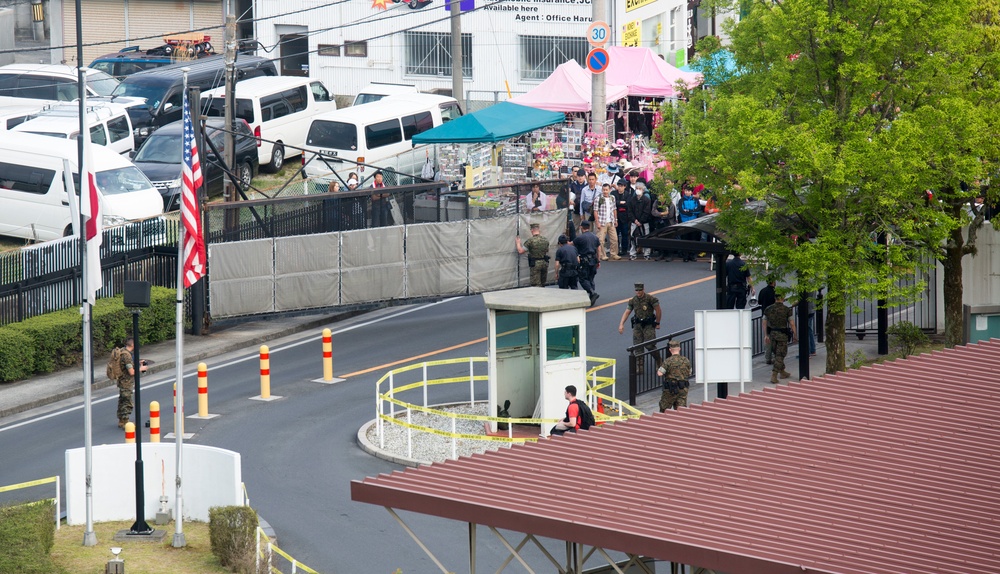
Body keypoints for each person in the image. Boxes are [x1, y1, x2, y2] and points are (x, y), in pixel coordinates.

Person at [618, 283, 662, 376]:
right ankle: (640, 366)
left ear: (643, 289)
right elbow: (627, 312)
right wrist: (621, 324)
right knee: (638, 347)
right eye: (636, 290)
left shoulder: (651, 299)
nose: (638, 292)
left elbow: (658, 310)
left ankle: (659, 361)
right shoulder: (633, 300)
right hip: (638, 325)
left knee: (650, 345)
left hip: (648, 325)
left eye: (640, 290)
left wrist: (657, 323)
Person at [763, 292, 797, 384]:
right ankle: (774, 374)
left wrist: (766, 335)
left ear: (775, 298)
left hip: (772, 334)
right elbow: (792, 323)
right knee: (780, 355)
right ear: (783, 298)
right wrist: (795, 334)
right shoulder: (786, 310)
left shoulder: (768, 309)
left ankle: (782, 372)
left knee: (777, 353)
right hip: (782, 335)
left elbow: (764, 322)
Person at [115, 337, 147, 429]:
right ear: (132, 345)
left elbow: (126, 364)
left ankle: (121, 420)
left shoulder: (123, 351)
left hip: (121, 380)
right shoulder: (127, 356)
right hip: (126, 382)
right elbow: (131, 372)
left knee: (122, 400)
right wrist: (141, 368)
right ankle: (125, 423)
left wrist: (137, 362)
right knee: (127, 402)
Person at [572, 220, 602, 306]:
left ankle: (592, 292)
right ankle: (592, 294)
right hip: (593, 259)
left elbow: (572, 244)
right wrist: (598, 260)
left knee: (582, 278)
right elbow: (598, 249)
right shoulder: (595, 237)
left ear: (581, 227)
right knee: (591, 277)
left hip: (584, 261)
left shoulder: (580, 238)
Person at [658, 340, 691, 411]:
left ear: (670, 350)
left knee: (664, 409)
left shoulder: (668, 361)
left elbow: (660, 373)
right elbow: (689, 372)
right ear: (679, 349)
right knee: (681, 410)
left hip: (670, 389)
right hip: (683, 388)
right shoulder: (686, 360)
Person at [515, 223, 550, 287]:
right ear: (539, 230)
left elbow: (520, 251)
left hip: (535, 264)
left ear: (532, 230)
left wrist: (518, 243)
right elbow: (547, 250)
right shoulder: (545, 240)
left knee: (536, 285)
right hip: (544, 263)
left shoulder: (530, 241)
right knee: (543, 283)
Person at [677, 183, 703, 262]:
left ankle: (692, 255)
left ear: (692, 192)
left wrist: (689, 211)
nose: (687, 192)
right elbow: (681, 211)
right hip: (684, 222)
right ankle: (685, 256)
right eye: (686, 191)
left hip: (694, 222)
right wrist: (691, 212)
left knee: (693, 239)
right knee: (685, 238)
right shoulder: (681, 200)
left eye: (689, 191)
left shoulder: (695, 200)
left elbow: (698, 210)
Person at [627, 182, 653, 260]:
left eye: (640, 189)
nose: (638, 190)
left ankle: (646, 253)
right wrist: (635, 220)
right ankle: (632, 253)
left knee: (646, 237)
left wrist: (641, 221)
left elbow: (647, 211)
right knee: (632, 237)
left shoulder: (647, 199)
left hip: (644, 223)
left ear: (643, 190)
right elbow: (630, 211)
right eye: (637, 188)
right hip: (634, 222)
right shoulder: (632, 200)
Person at [594, 184, 620, 261]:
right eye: (604, 190)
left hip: (611, 221)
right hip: (602, 222)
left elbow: (614, 209)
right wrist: (597, 222)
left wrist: (616, 220)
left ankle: (614, 254)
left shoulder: (612, 198)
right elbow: (595, 211)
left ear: (609, 190)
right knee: (601, 240)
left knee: (614, 239)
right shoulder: (598, 199)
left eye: (606, 190)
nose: (605, 191)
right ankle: (602, 255)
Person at [757, 280, 777, 364]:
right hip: (775, 317)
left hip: (765, 316)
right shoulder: (776, 292)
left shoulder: (762, 291)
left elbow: (759, 302)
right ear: (774, 282)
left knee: (767, 336)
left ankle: (768, 357)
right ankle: (776, 356)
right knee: (776, 336)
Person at [615, 178, 633, 257]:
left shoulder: (628, 194)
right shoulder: (613, 193)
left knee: (625, 234)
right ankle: (616, 249)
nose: (620, 187)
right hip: (616, 217)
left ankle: (624, 249)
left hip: (625, 218)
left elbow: (628, 204)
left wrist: (619, 203)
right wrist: (620, 202)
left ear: (625, 186)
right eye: (619, 185)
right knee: (615, 235)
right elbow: (613, 202)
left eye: (621, 186)